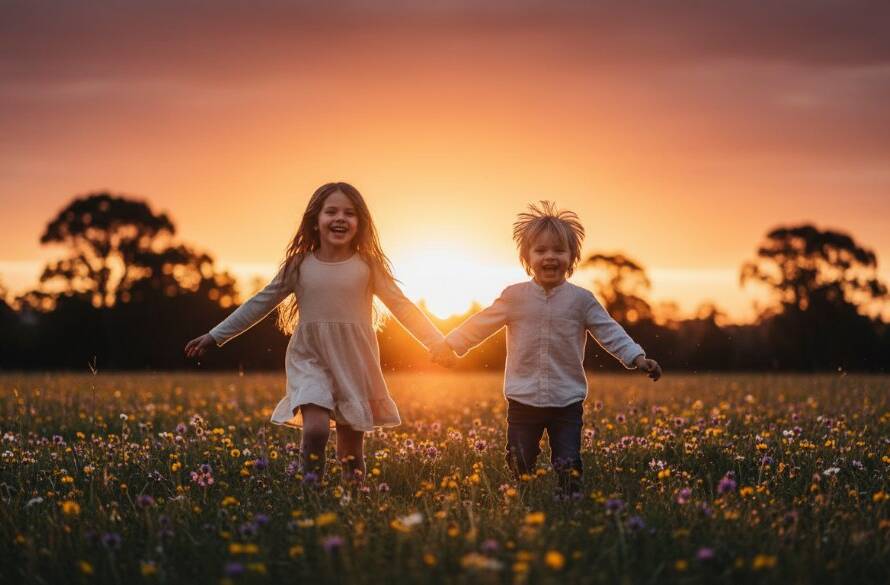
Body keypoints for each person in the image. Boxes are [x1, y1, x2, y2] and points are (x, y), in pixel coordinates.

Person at [185, 182, 448, 482]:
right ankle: (311, 494)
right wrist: (215, 335)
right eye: (331, 211)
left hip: (354, 362)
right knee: (315, 430)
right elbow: (259, 303)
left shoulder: (368, 266)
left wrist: (437, 342)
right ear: (315, 220)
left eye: (349, 213)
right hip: (310, 359)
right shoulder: (299, 266)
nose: (340, 218)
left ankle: (354, 500)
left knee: (351, 454)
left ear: (360, 222)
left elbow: (402, 306)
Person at [430, 201, 661, 497]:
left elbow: (610, 332)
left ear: (572, 257)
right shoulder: (514, 297)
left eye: (558, 250)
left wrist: (637, 357)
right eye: (540, 251)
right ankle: (523, 499)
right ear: (527, 257)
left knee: (568, 462)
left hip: (567, 401)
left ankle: (569, 501)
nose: (550, 257)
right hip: (523, 399)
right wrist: (450, 344)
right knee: (519, 459)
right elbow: (481, 323)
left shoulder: (582, 301)